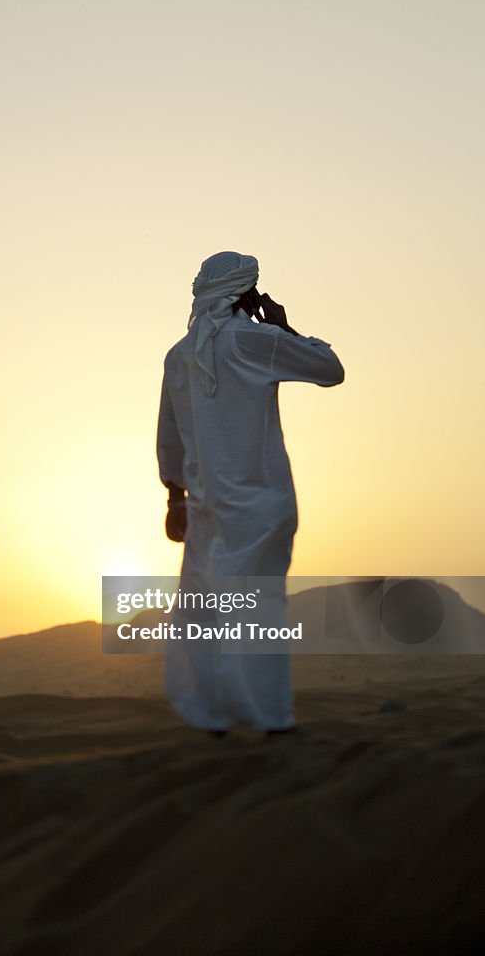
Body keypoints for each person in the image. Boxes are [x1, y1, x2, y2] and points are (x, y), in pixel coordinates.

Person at [156, 250, 344, 735]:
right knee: (258, 613)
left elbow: (169, 433)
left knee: (205, 614)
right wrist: (286, 328)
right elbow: (330, 368)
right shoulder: (256, 341)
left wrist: (173, 498)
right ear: (248, 292)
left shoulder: (178, 356)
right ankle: (270, 720)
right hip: (260, 506)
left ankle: (212, 714)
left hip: (203, 508)